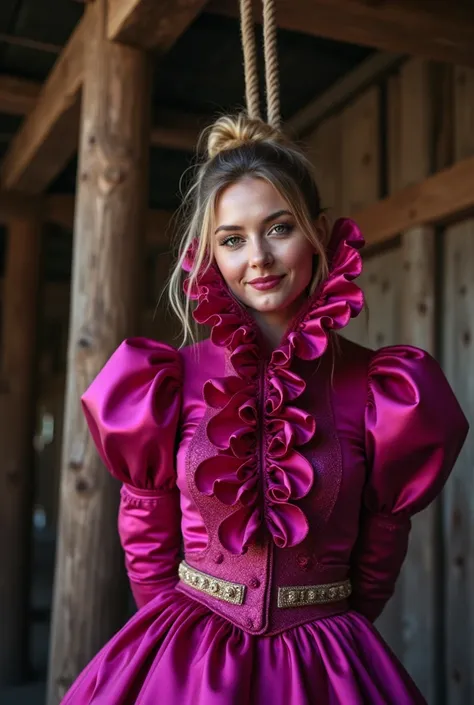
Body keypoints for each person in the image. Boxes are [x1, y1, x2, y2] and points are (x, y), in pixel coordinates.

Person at [62, 114, 469, 705]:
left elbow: (379, 557)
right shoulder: (166, 381)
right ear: (209, 254)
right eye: (232, 239)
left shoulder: (383, 390)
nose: (259, 258)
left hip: (323, 659)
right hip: (187, 652)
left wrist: (327, 641)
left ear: (318, 232)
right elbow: (147, 541)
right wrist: (176, 660)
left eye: (278, 229)